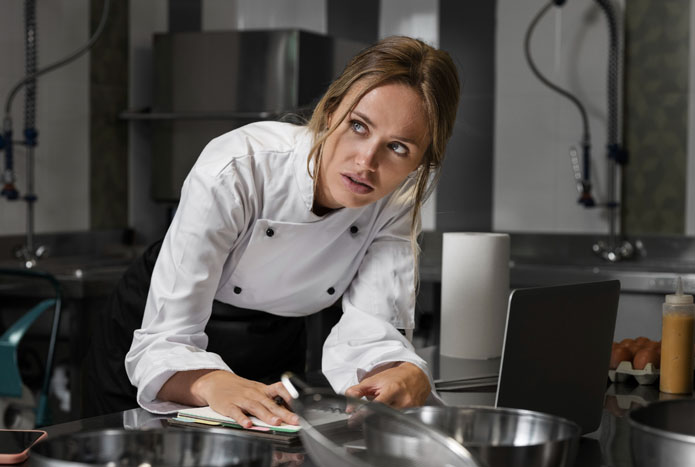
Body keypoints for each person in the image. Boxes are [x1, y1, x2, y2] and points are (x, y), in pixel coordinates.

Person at [83, 35, 460, 427]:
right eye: (358, 126)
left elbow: (372, 326)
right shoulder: (239, 166)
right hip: (157, 333)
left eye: (398, 147)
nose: (366, 161)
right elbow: (164, 338)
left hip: (275, 342)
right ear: (330, 112)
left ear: (421, 162)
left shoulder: (395, 196)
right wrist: (213, 382)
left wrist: (399, 370)